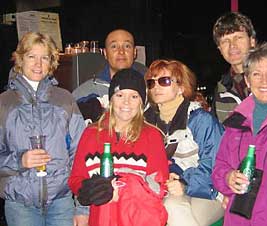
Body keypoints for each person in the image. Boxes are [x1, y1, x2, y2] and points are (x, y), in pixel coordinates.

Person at [0, 32, 86, 226]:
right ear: (20, 59)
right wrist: (20, 160)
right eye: (32, 56)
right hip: (19, 203)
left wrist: (82, 206)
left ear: (52, 62)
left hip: (62, 202)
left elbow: (80, 154)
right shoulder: (4, 103)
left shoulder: (66, 100)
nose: (38, 64)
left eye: (44, 57)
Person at [212, 42, 267, 226]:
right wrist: (228, 177)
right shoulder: (236, 122)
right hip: (238, 219)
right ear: (247, 80)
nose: (264, 81)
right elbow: (219, 166)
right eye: (256, 74)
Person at [68, 68, 169, 226]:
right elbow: (75, 179)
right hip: (99, 219)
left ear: (142, 102)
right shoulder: (91, 133)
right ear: (111, 99)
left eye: (134, 96)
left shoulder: (152, 136)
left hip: (137, 219)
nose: (126, 102)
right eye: (120, 95)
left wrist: (125, 188)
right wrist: (90, 190)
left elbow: (160, 185)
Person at [144, 59, 224, 226]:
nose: (156, 87)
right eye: (151, 82)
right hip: (169, 189)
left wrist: (185, 182)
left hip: (210, 190)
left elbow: (217, 165)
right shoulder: (147, 121)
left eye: (164, 81)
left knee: (173, 209)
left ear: (181, 87)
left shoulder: (200, 120)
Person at [212, 11, 267, 123]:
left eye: (238, 38)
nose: (232, 45)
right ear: (220, 49)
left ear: (252, 41)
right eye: (225, 41)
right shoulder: (222, 90)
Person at [72, 29, 147, 124]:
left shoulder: (151, 87)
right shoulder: (86, 91)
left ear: (135, 52)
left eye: (127, 46)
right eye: (114, 46)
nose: (121, 51)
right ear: (105, 53)